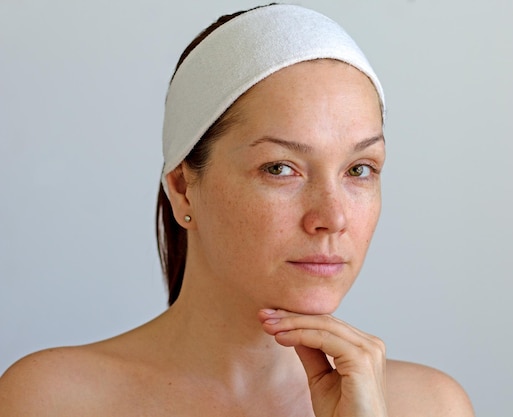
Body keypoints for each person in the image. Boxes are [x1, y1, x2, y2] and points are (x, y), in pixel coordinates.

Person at [0, 4, 474, 416]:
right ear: (184, 188)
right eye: (280, 168)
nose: (333, 217)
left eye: (359, 170)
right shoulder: (51, 401)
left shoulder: (429, 406)